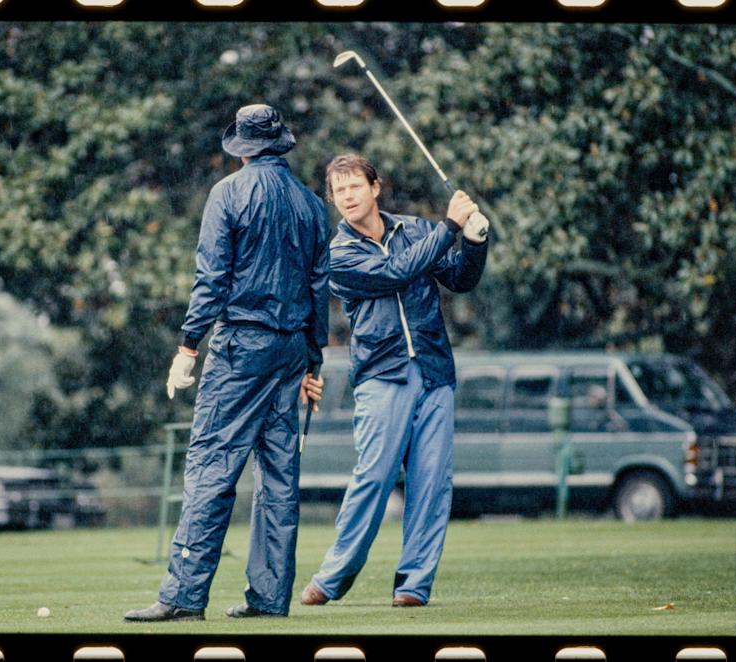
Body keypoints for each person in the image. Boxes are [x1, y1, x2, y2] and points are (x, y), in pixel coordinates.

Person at [124, 104, 330, 622]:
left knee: (212, 465)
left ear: (241, 148)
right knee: (279, 476)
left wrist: (188, 347)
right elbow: (318, 287)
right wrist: (314, 361)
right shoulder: (310, 204)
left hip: (242, 346)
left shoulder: (228, 193)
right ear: (279, 144)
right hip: (291, 352)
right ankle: (269, 598)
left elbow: (212, 279)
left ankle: (183, 597)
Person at [299, 153, 488, 609]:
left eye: (354, 187)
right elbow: (393, 273)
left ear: (375, 187)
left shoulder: (416, 230)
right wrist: (448, 227)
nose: (347, 197)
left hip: (435, 373)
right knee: (375, 475)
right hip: (382, 375)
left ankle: (413, 586)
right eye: (338, 191)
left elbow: (459, 278)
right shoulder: (338, 254)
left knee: (431, 482)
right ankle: (334, 575)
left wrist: (475, 240)